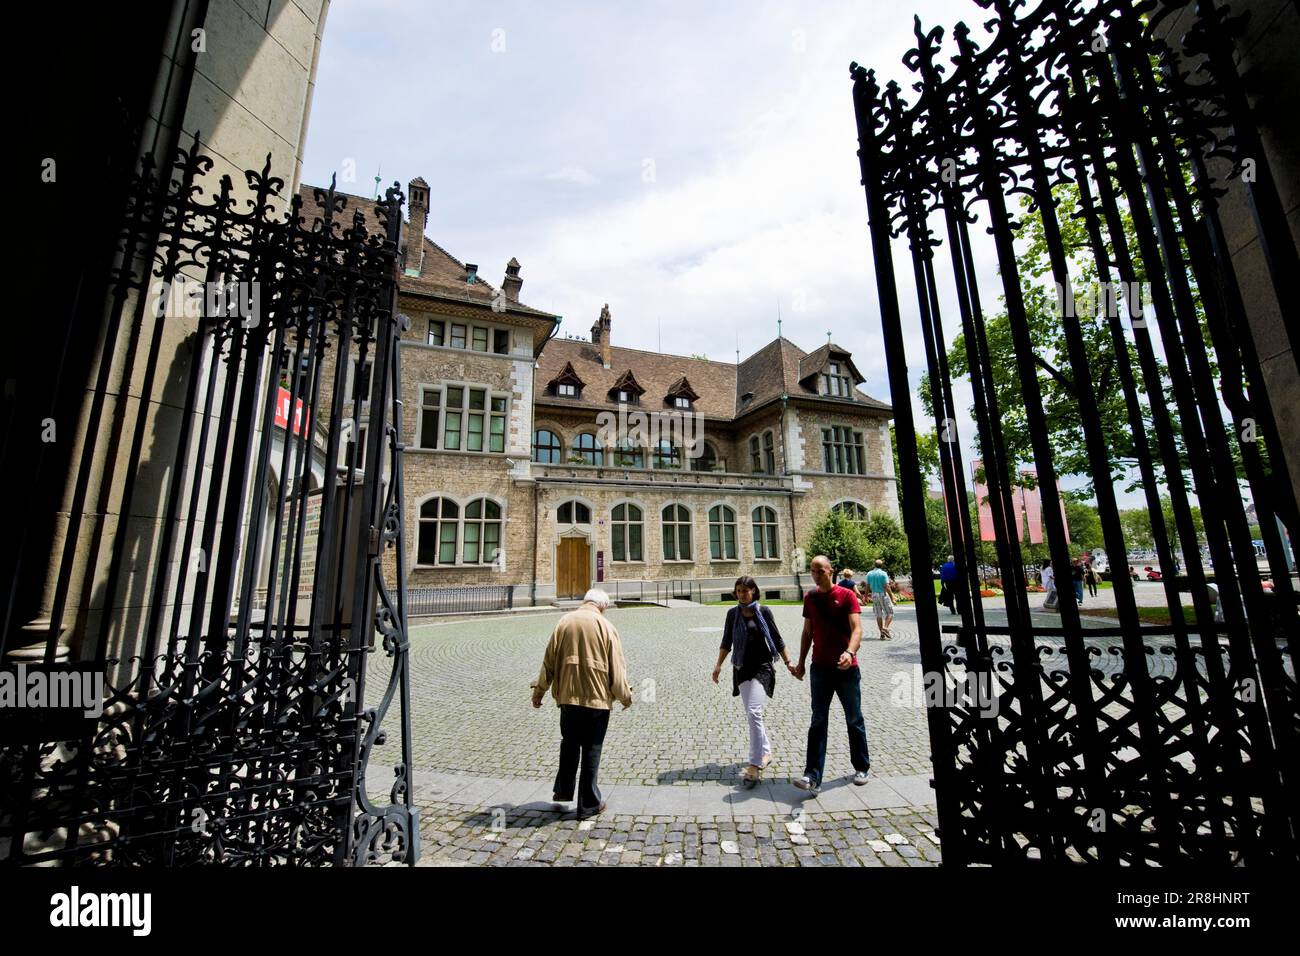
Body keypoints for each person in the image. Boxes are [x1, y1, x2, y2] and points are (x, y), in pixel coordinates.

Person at [531, 588, 632, 819]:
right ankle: (588, 804)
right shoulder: (606, 627)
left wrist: (539, 692)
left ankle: (563, 791)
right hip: (596, 701)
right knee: (592, 749)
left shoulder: (564, 622)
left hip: (568, 698)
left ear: (586, 601)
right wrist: (625, 697)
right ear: (602, 607)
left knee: (569, 744)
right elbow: (617, 669)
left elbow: (549, 661)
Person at [791, 555, 871, 793]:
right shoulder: (810, 598)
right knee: (818, 720)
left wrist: (850, 652)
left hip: (846, 668)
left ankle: (862, 766)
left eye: (820, 571)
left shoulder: (846, 596)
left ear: (831, 571)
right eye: (813, 572)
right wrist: (801, 662)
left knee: (854, 718)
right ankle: (812, 775)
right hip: (820, 668)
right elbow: (807, 633)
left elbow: (857, 628)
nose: (816, 575)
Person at [713, 576, 796, 786]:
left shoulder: (764, 611)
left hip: (762, 668)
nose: (742, 594)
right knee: (752, 715)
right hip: (741, 668)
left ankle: (755, 764)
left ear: (754, 591)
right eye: (738, 590)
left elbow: (777, 639)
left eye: (745, 590)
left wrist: (789, 663)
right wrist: (718, 665)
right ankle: (766, 752)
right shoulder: (732, 614)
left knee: (754, 712)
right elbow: (726, 641)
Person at [864, 559, 894, 640]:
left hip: (874, 595)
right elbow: (887, 586)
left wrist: (865, 597)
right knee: (890, 613)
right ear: (882, 565)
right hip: (882, 594)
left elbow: (867, 587)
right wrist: (892, 598)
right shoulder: (883, 573)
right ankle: (885, 627)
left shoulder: (869, 574)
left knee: (878, 614)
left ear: (874, 565)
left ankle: (882, 634)